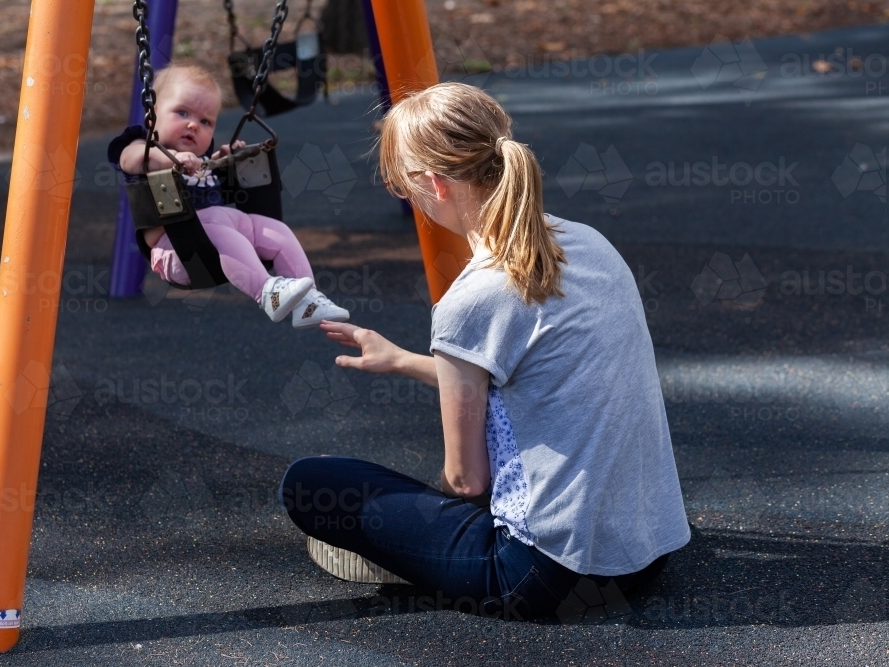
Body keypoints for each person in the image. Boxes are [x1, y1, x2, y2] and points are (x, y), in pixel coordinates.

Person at [279, 82, 690, 620]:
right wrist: (402, 359)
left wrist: (413, 519)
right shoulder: (590, 244)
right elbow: (534, 380)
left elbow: (467, 481)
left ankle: (420, 556)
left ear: (435, 184)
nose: (410, 200)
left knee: (311, 483)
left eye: (405, 186)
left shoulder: (471, 300)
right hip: (645, 551)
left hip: (543, 576)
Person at [108, 64, 349, 328]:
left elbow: (205, 181)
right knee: (218, 224)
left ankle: (309, 300)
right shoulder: (143, 148)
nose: (193, 125)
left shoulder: (198, 162)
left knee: (275, 230)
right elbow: (130, 160)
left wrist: (222, 161)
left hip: (215, 243)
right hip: (179, 252)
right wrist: (172, 159)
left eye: (205, 121)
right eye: (182, 112)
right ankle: (267, 292)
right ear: (151, 114)